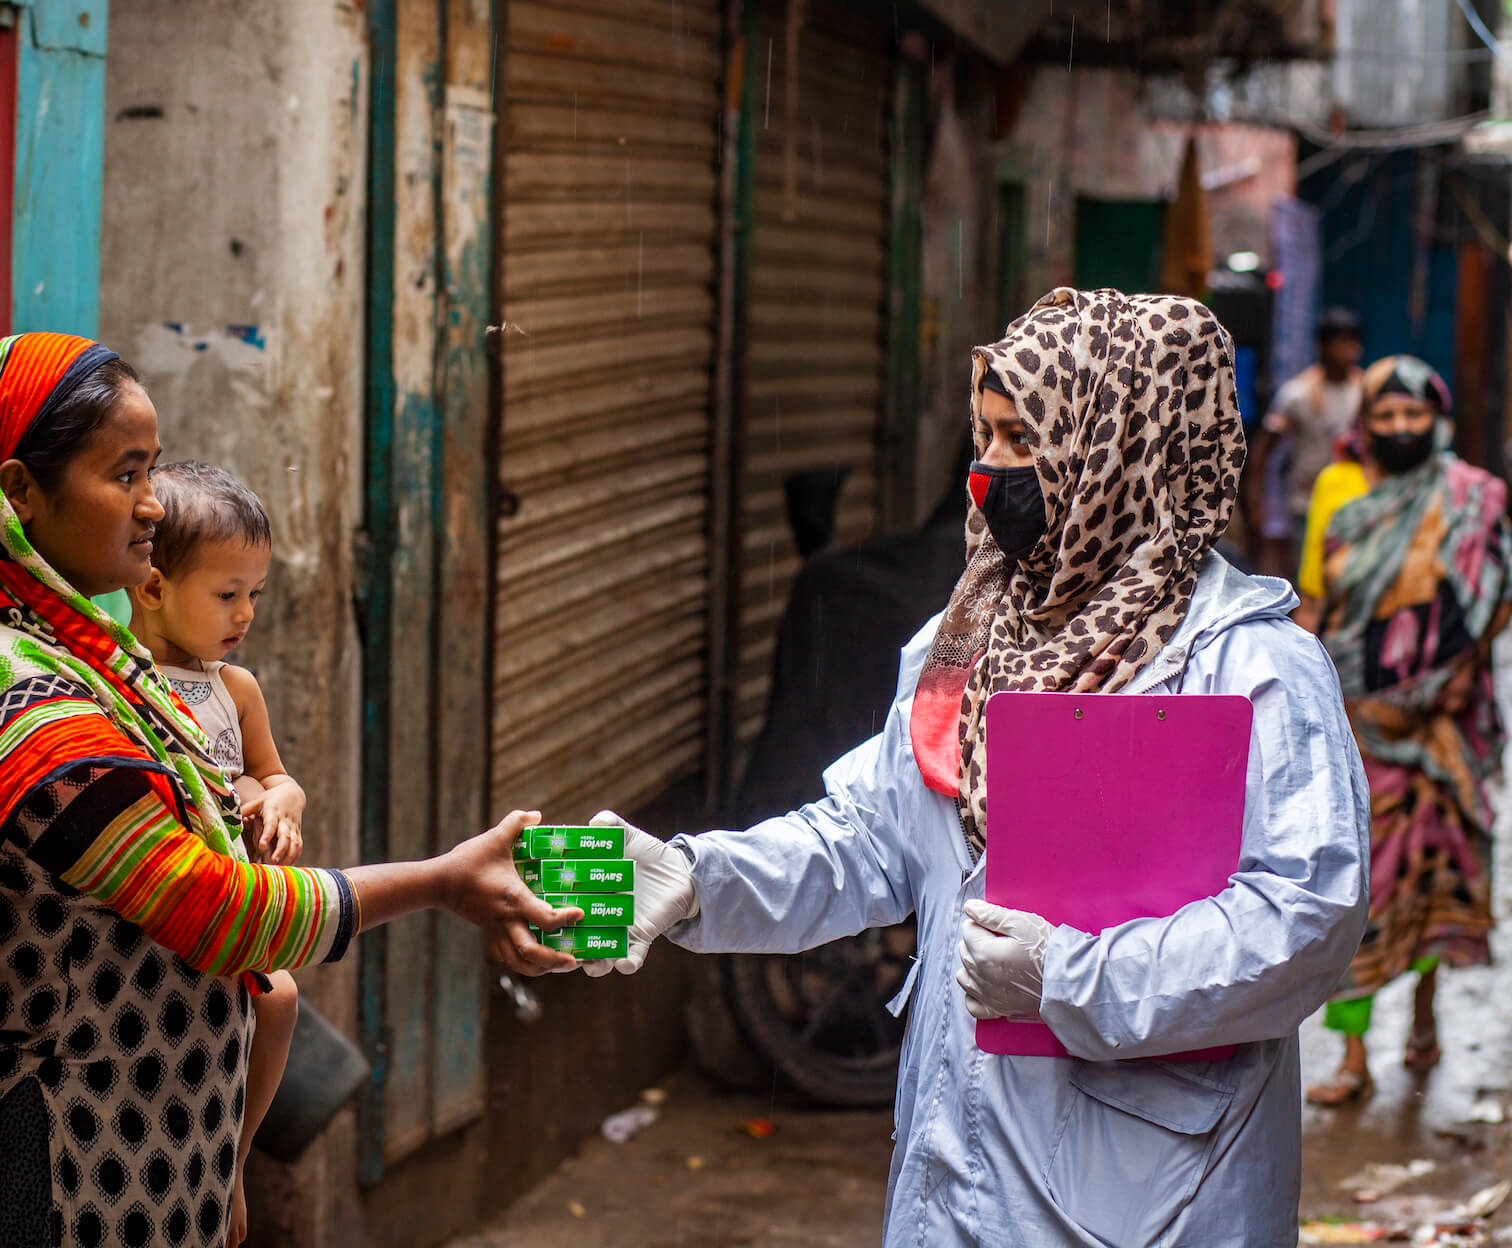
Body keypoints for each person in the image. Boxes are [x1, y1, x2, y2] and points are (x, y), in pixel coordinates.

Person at [522, 289, 1372, 1245]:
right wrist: (696, 880)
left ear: (1121, 450)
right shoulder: (966, 641)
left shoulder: (1251, 670)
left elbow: (1304, 920)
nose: (987, 474)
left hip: (1161, 1195)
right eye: (988, 438)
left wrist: (1073, 977)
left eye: (1023, 444)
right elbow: (866, 845)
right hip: (956, 1180)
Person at [0, 334, 580, 1248]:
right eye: (125, 473)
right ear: (18, 492)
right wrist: (444, 880)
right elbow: (223, 914)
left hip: (142, 1162)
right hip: (51, 1172)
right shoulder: (13, 697)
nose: (151, 506)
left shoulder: (73, 658)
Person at [1294, 355, 1510, 1107]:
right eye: (1385, 417)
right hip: (1362, 724)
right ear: (1363, 425)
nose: (1399, 428)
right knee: (1360, 889)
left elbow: (1495, 591)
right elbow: (1318, 603)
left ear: (1437, 417)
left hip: (1444, 723)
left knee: (1432, 874)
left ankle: (1424, 1023)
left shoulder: (1472, 499)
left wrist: (1458, 672)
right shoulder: (1339, 491)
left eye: (1413, 415)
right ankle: (1353, 1052)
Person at [124, 459, 304, 1241]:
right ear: (153, 587)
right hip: (157, 916)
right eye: (227, 595)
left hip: (232, 909)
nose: (245, 615)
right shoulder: (117, 682)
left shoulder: (236, 690)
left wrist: (281, 804)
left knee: (282, 999)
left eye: (254, 595)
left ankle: (231, 1161)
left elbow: (275, 776)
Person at [1247, 307, 1364, 578]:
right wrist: (1256, 506)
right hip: (1306, 503)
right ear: (1322, 346)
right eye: (1340, 342)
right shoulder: (1297, 394)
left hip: (1353, 501)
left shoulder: (1364, 390)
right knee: (1309, 575)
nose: (1348, 351)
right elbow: (1264, 448)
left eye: (1353, 342)